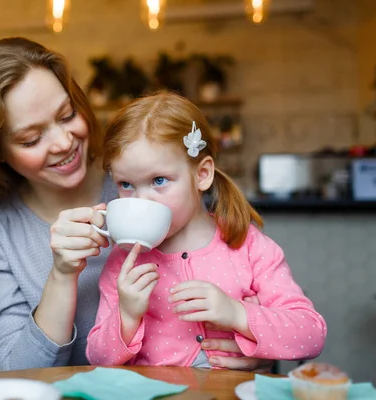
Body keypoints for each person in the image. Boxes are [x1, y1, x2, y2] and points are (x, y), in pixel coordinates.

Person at [0, 36, 274, 371]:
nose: (64, 142)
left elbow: (288, 320)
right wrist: (62, 275)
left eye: (67, 114)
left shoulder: (149, 176)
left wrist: (256, 347)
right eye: (31, 138)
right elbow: (22, 370)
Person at [85, 91, 327, 367]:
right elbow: (97, 360)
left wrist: (237, 313)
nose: (141, 201)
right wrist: (126, 317)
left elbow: (312, 335)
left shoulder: (246, 245)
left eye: (159, 180)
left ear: (202, 175)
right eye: (126, 185)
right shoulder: (124, 261)